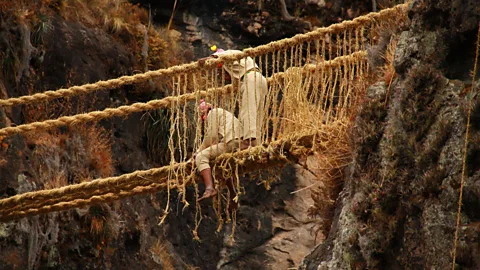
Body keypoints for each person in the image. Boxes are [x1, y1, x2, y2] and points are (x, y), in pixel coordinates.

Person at [198, 46, 268, 150]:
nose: (221, 73)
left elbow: (206, 60)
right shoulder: (238, 63)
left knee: (248, 111)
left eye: (220, 69)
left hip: (251, 79)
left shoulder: (227, 54)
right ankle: (255, 144)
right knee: (257, 113)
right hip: (261, 80)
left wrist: (201, 63)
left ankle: (248, 142)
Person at [193, 100, 242, 203]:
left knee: (201, 157)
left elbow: (211, 136)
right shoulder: (222, 114)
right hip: (239, 142)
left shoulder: (213, 113)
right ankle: (233, 194)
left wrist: (199, 151)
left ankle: (210, 188)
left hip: (231, 142)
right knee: (223, 164)